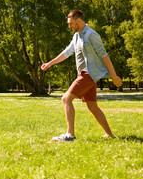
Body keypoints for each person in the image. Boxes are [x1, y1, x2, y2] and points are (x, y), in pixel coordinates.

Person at [41, 10, 122, 142]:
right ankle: (109, 134)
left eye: (71, 23)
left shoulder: (91, 35)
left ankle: (70, 135)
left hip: (88, 74)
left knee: (66, 99)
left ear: (78, 21)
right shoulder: (77, 36)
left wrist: (113, 75)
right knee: (92, 106)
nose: (69, 26)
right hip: (85, 74)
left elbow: (104, 55)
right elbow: (66, 52)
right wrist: (50, 64)